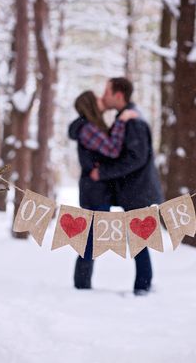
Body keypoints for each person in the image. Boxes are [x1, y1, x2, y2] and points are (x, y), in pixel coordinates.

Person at [82, 78, 164, 295]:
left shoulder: (133, 121)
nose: (104, 95)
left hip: (138, 190)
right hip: (132, 190)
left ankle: (143, 287)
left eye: (107, 91)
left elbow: (135, 158)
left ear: (119, 95)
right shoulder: (125, 118)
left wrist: (103, 173)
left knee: (138, 239)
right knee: (138, 239)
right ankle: (143, 286)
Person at [68, 90, 138, 289]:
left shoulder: (91, 126)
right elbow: (113, 150)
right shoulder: (87, 128)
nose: (102, 99)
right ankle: (81, 284)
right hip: (94, 189)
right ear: (90, 104)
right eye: (97, 98)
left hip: (97, 188)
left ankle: (82, 282)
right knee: (93, 236)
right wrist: (122, 121)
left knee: (93, 235)